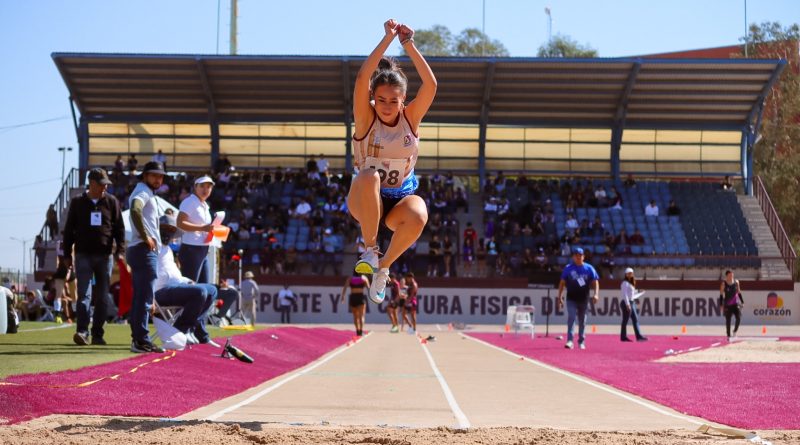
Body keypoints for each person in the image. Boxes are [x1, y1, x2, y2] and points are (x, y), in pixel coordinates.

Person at [348, 19, 437, 304]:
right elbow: (363, 78)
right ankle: (370, 249)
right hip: (364, 199)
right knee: (370, 176)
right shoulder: (366, 118)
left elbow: (431, 85)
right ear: (373, 98)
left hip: (397, 202)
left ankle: (383, 268)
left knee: (420, 212)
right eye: (381, 99)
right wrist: (386, 38)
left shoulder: (410, 119)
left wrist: (407, 44)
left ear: (403, 101)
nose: (386, 106)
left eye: (393, 101)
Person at [63, 168, 126, 346]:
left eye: (106, 184)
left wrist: (120, 251)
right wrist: (67, 254)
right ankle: (82, 332)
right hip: (83, 255)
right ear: (91, 183)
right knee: (84, 295)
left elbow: (119, 229)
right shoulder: (77, 202)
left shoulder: (112, 202)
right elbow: (68, 230)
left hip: (105, 256)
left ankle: (98, 333)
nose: (105, 187)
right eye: (102, 184)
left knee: (103, 297)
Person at [153, 214, 219, 347]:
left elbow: (174, 274)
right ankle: (181, 329)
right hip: (161, 291)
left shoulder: (167, 250)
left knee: (212, 290)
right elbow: (158, 275)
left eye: (171, 231)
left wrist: (188, 281)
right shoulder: (153, 247)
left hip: (175, 287)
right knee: (199, 292)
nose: (168, 234)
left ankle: (186, 328)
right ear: (158, 230)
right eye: (165, 230)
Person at [126, 161, 167, 353]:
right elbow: (135, 209)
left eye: (161, 176)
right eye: (154, 175)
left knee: (141, 297)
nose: (158, 179)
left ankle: (139, 339)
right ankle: (141, 340)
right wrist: (145, 236)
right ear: (145, 176)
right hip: (143, 249)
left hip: (140, 249)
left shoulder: (146, 191)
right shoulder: (143, 190)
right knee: (144, 298)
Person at [557, 247, 600, 350]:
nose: (578, 257)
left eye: (580, 255)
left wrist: (596, 294)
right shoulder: (568, 268)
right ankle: (570, 341)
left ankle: (581, 341)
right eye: (576, 255)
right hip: (571, 298)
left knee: (582, 321)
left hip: (584, 299)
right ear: (573, 257)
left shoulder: (589, 268)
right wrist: (560, 296)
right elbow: (562, 283)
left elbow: (595, 282)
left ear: (583, 257)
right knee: (571, 317)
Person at [177, 176, 216, 283]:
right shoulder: (190, 202)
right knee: (191, 288)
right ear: (195, 187)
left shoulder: (204, 205)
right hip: (191, 249)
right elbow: (180, 223)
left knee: (204, 288)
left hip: (203, 249)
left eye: (208, 187)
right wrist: (203, 228)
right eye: (202, 186)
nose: (205, 189)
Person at [620, 267, 647, 342]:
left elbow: (631, 294)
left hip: (631, 302)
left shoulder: (630, 283)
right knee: (625, 320)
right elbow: (625, 294)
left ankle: (639, 336)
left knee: (635, 319)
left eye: (631, 273)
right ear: (625, 274)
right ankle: (623, 337)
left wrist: (639, 291)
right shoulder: (625, 283)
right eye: (628, 273)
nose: (630, 274)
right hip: (627, 303)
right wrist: (627, 304)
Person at [341, 271, 370, 336]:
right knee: (361, 316)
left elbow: (345, 287)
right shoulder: (364, 278)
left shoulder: (350, 278)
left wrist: (343, 296)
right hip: (360, 297)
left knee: (355, 316)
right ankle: (361, 331)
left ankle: (357, 331)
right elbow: (369, 288)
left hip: (353, 297)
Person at [719, 270, 744, 341]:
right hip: (727, 305)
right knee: (728, 320)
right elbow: (721, 295)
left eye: (732, 275)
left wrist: (742, 301)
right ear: (726, 276)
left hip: (735, 304)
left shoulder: (736, 282)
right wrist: (721, 305)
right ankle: (728, 335)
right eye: (730, 275)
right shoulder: (723, 284)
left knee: (739, 318)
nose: (731, 276)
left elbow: (739, 292)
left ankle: (735, 331)